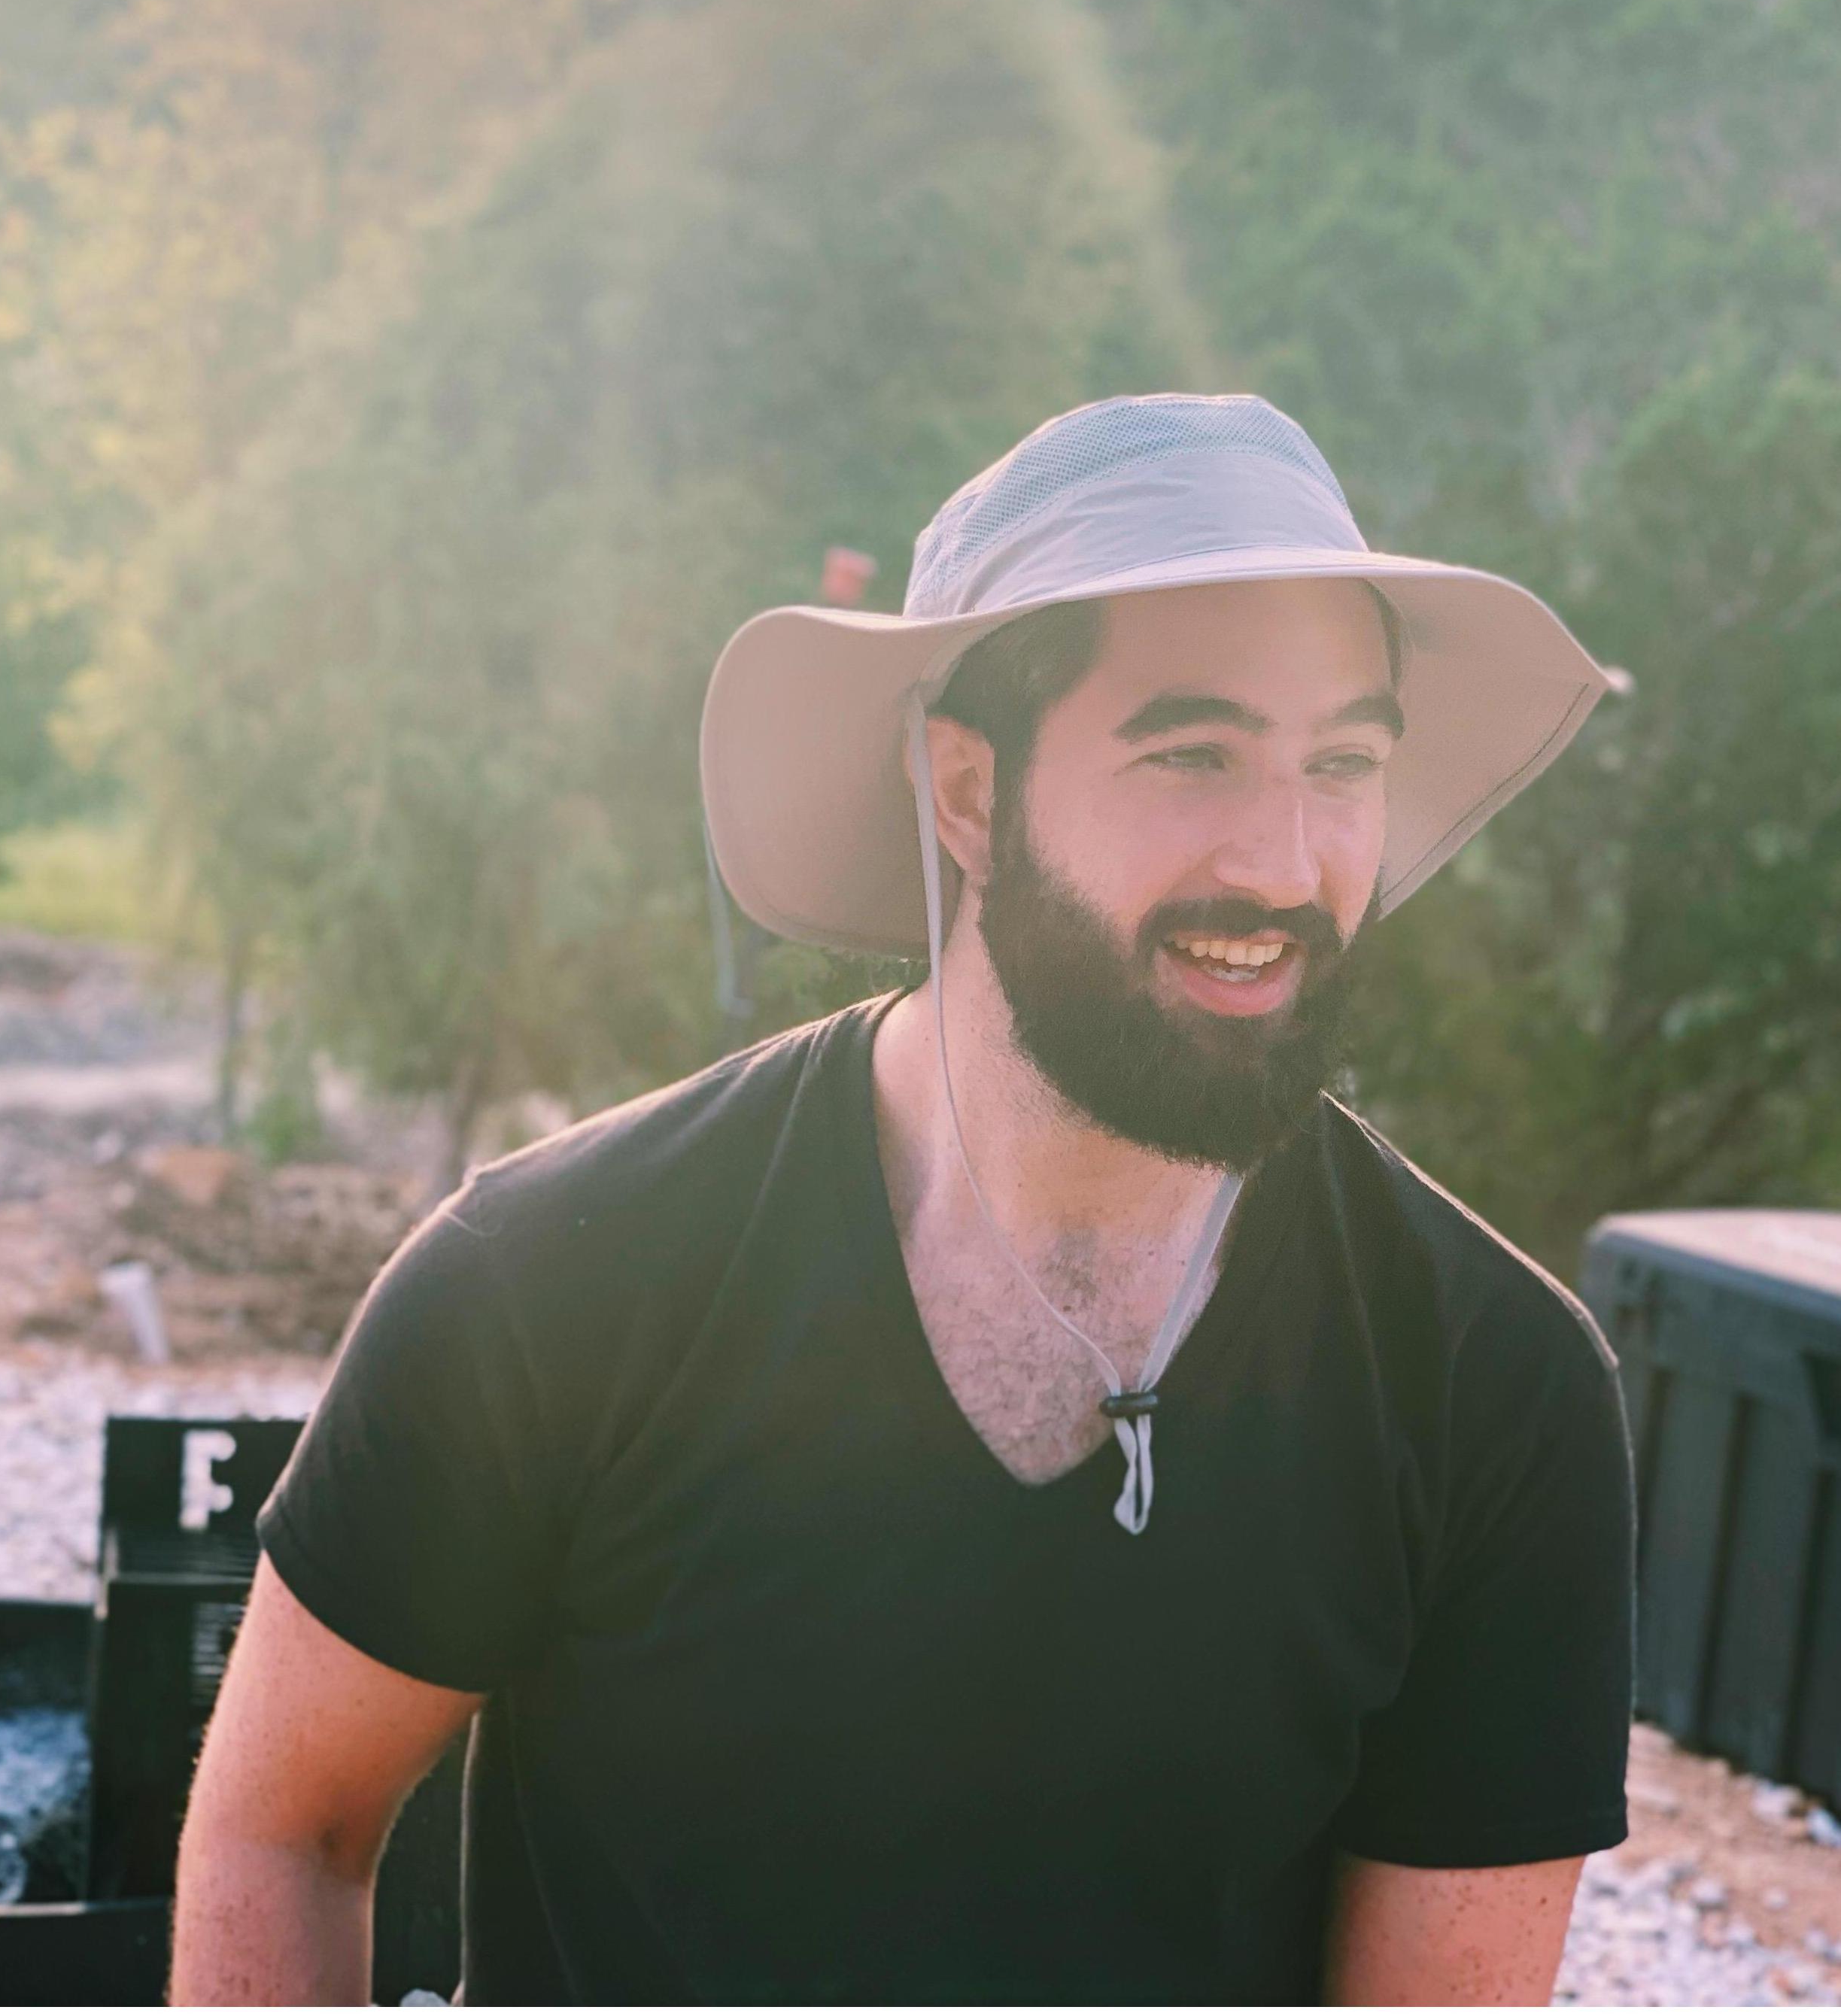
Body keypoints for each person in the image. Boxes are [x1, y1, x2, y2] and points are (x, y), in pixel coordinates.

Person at [172, 394, 1636, 2005]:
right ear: (965, 792)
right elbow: (286, 1831)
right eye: (1193, 753)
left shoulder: (1497, 1389)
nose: (1286, 864)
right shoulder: (553, 1283)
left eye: (1343, 762)